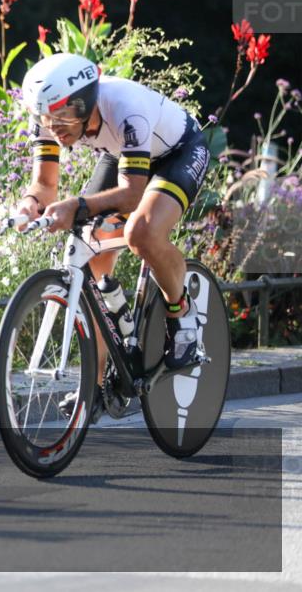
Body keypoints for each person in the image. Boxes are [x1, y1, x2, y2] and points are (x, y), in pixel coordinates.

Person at [15, 52, 209, 422]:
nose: (53, 126)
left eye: (62, 116)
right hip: (125, 154)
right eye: (45, 118)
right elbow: (44, 184)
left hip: (178, 151)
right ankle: (96, 382)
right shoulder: (48, 116)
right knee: (90, 253)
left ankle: (181, 313)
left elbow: (133, 194)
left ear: (85, 102)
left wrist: (77, 205)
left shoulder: (125, 106)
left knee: (141, 232)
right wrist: (28, 205)